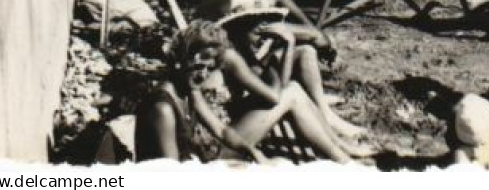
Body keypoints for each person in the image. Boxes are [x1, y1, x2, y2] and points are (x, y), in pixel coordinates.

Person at [135, 21, 354, 163]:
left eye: (210, 69)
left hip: (204, 155)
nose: (203, 75)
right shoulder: (162, 107)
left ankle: (346, 162)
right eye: (198, 67)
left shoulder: (189, 88)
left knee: (280, 164)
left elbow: (220, 130)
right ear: (179, 62)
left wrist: (252, 151)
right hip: (193, 169)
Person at [211, 0, 373, 158]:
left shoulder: (244, 51)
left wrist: (287, 45)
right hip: (224, 142)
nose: (263, 35)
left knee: (293, 85)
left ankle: (339, 146)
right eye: (257, 29)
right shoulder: (232, 57)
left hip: (234, 126)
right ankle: (342, 156)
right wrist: (282, 51)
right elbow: (276, 93)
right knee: (292, 92)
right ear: (240, 27)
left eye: (265, 25)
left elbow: (279, 84)